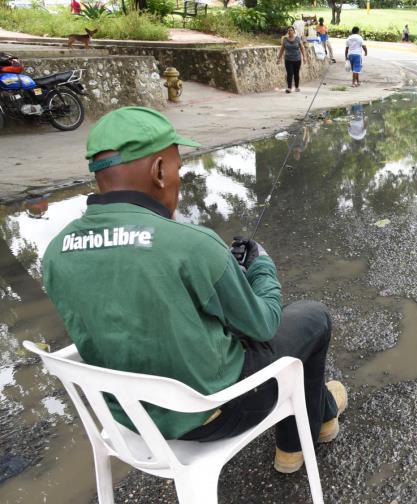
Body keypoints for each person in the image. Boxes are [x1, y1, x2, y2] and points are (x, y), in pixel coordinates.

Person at [41, 107, 347, 475]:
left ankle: (323, 413)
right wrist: (261, 266)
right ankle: (297, 442)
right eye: (178, 169)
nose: (178, 180)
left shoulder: (55, 252)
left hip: (131, 418)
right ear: (159, 171)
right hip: (216, 414)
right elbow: (263, 325)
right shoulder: (192, 245)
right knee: (314, 318)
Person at [277, 26, 307, 93]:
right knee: (289, 73)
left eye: (291, 30)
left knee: (296, 73)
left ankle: (297, 87)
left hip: (297, 59)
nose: (289, 31)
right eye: (288, 30)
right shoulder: (285, 39)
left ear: (294, 31)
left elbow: (302, 48)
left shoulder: (298, 39)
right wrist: (279, 58)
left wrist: (304, 57)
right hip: (288, 59)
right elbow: (282, 49)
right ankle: (289, 88)